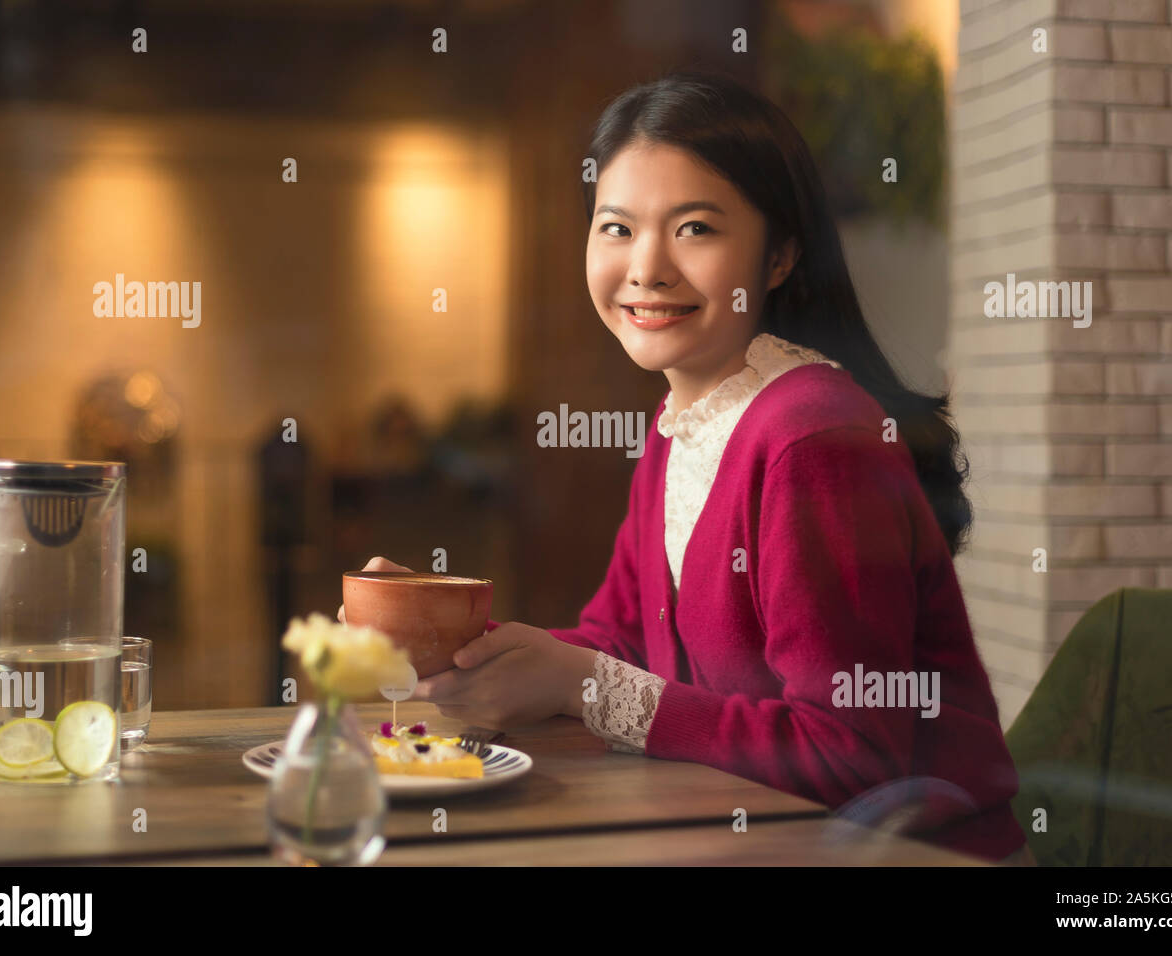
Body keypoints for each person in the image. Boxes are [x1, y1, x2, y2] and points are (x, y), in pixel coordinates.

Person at [341, 70, 1032, 865]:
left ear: (779, 256)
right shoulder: (685, 424)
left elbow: (851, 753)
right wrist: (442, 632)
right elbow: (618, 644)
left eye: (695, 229)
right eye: (616, 228)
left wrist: (580, 686)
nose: (648, 268)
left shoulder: (813, 437)